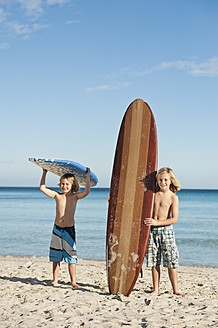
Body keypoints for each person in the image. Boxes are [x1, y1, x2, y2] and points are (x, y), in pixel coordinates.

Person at [40, 168, 90, 288]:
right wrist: (44, 173)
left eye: (67, 184)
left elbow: (87, 192)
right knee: (56, 256)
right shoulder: (57, 195)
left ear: (72, 185)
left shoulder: (75, 197)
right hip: (57, 229)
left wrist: (87, 177)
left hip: (69, 230)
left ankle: (73, 281)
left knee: (71, 257)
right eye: (62, 183)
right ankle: (55, 280)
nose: (64, 186)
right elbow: (42, 188)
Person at [144, 167, 182, 295]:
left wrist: (157, 222)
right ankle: (156, 289)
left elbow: (174, 219)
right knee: (154, 261)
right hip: (152, 231)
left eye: (166, 180)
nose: (163, 182)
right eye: (160, 180)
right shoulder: (153, 194)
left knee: (171, 261)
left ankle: (175, 290)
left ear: (171, 180)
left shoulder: (173, 198)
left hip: (166, 231)